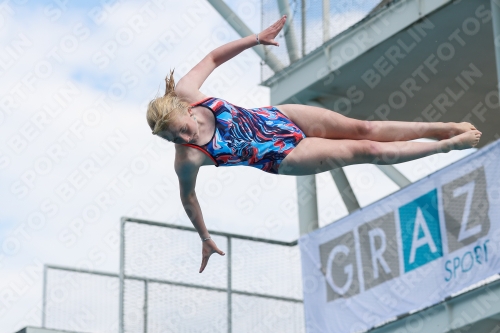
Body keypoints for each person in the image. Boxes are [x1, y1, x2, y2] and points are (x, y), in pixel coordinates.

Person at [146, 15, 482, 273]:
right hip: (284, 156)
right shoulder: (188, 159)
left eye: (182, 130)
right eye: (172, 140)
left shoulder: (188, 92)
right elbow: (188, 197)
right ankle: (446, 147)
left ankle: (444, 128)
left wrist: (256, 39)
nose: (182, 139)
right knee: (367, 151)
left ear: (186, 109)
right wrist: (204, 238)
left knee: (363, 127)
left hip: (279, 117)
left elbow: (213, 58)